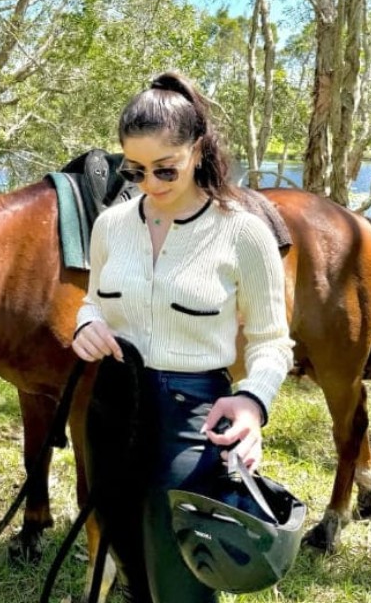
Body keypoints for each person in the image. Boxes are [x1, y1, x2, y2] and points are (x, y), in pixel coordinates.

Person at [71, 71, 294, 602]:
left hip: (193, 418)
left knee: (184, 580)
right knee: (128, 565)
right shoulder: (111, 224)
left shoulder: (242, 231)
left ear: (198, 150)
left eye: (165, 168)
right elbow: (93, 300)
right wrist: (86, 324)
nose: (150, 182)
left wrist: (251, 403)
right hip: (111, 409)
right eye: (135, 169)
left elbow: (271, 342)